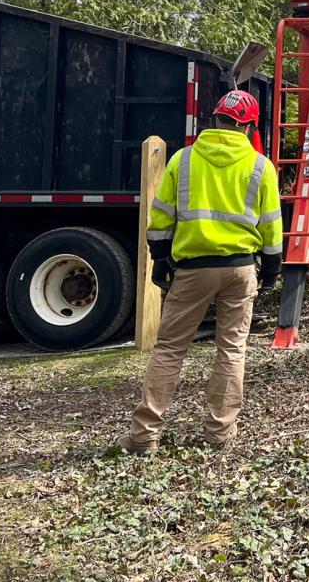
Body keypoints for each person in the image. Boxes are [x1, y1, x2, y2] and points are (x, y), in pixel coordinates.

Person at [116, 89, 283, 453]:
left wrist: (160, 259)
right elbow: (271, 225)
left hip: (192, 269)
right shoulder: (261, 166)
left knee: (170, 350)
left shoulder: (184, 160)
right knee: (232, 349)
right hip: (240, 269)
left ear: (215, 119)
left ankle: (144, 436)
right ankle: (220, 432)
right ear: (250, 126)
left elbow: (160, 218)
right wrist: (271, 268)